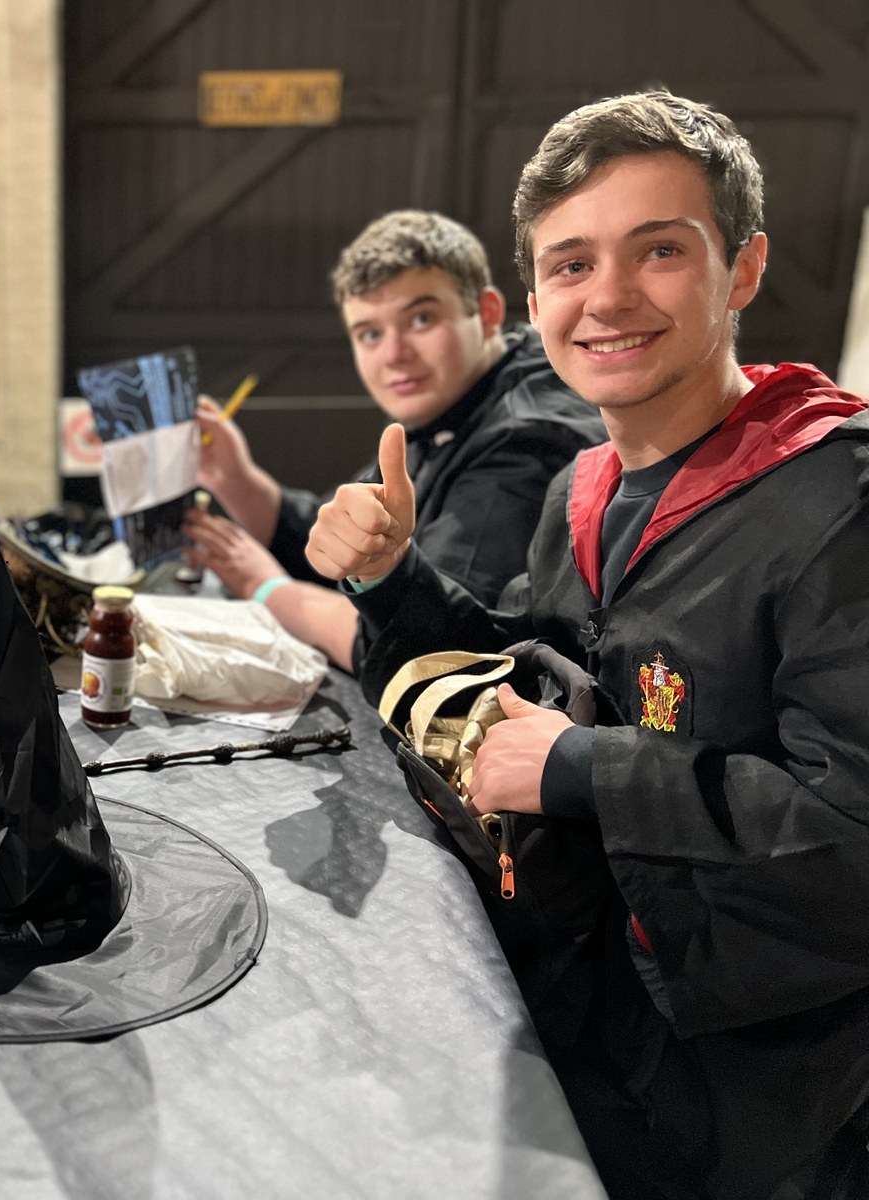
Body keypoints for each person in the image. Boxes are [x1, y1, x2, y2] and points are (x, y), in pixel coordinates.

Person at [309, 91, 869, 1199]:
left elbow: (852, 831)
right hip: (594, 1005)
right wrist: (391, 578)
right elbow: (534, 667)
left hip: (756, 1086)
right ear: (535, 300)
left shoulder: (835, 505)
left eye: (659, 250)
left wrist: (581, 768)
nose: (606, 297)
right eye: (571, 264)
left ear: (743, 269)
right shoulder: (585, 484)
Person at [184, 210, 602, 672]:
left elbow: (430, 654)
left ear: (486, 314)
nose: (394, 355)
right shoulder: (458, 394)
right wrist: (234, 478)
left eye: (421, 319)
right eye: (369, 334)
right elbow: (344, 543)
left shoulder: (524, 444)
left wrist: (266, 589)